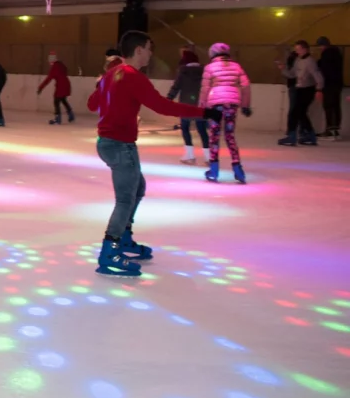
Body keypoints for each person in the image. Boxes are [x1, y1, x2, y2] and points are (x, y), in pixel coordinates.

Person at [87, 31, 221, 277]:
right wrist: (205, 113)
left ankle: (124, 238)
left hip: (112, 143)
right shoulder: (131, 76)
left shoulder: (111, 74)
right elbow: (162, 106)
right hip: (118, 144)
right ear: (138, 50)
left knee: (138, 188)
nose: (151, 53)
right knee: (126, 198)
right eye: (149, 48)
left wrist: (104, 87)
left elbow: (92, 104)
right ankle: (110, 251)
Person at [199, 43, 252, 184]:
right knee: (229, 135)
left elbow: (205, 88)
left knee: (214, 136)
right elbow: (246, 85)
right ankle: (238, 170)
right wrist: (246, 105)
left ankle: (214, 170)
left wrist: (201, 106)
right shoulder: (237, 66)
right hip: (232, 104)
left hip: (215, 104)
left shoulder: (209, 68)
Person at [166, 48, 208, 164]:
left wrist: (168, 99)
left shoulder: (183, 72)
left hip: (185, 104)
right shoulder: (204, 72)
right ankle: (208, 157)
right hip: (200, 105)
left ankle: (189, 155)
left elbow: (176, 87)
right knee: (202, 130)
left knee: (185, 128)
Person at [277, 40, 323, 146]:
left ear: (305, 49)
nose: (296, 51)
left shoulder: (310, 61)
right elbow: (292, 74)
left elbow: (318, 77)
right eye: (296, 49)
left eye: (298, 49)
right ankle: (310, 136)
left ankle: (292, 136)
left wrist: (319, 89)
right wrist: (283, 69)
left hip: (307, 90)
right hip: (300, 89)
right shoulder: (298, 60)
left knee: (295, 112)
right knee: (301, 113)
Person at [315, 36, 343, 140]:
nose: (319, 48)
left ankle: (330, 130)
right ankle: (336, 130)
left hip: (329, 84)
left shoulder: (327, 54)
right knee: (335, 106)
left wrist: (320, 87)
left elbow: (325, 69)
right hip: (337, 84)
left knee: (328, 106)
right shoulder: (337, 53)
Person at [38, 51, 74, 125]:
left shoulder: (54, 67)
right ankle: (71, 114)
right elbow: (65, 71)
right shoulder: (61, 65)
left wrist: (40, 87)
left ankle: (58, 118)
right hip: (66, 84)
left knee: (56, 101)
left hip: (61, 86)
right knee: (63, 99)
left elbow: (48, 79)